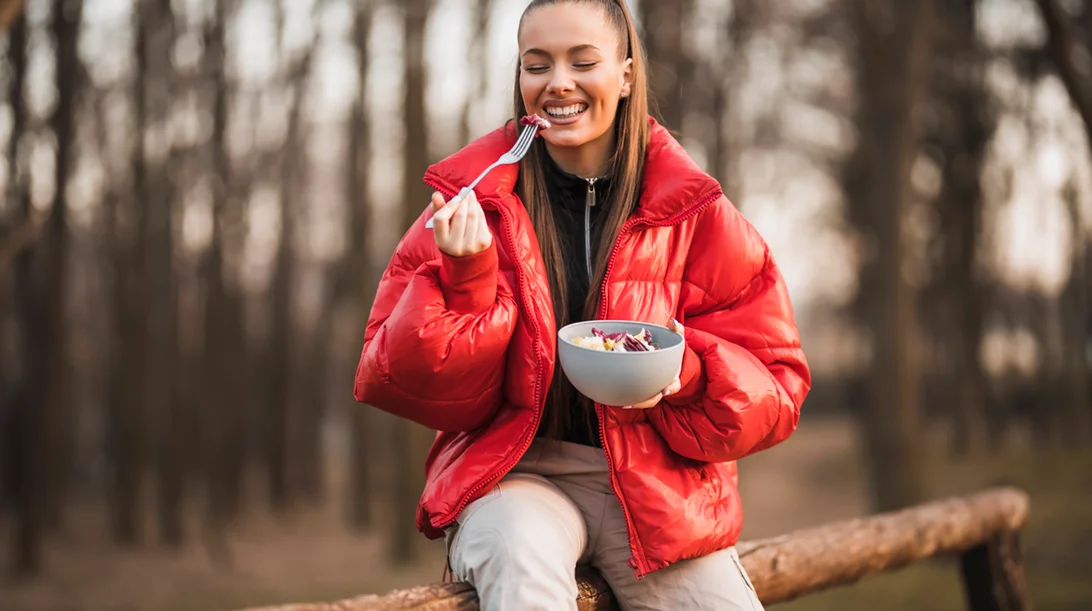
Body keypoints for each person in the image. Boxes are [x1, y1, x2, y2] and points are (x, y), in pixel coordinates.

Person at [353, 0, 810, 609]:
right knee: (520, 561)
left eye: (582, 61)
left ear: (625, 75)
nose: (557, 82)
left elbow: (777, 386)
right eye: (535, 65)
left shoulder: (697, 214)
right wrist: (464, 280)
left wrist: (687, 372)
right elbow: (394, 373)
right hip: (514, 478)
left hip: (658, 488)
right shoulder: (470, 204)